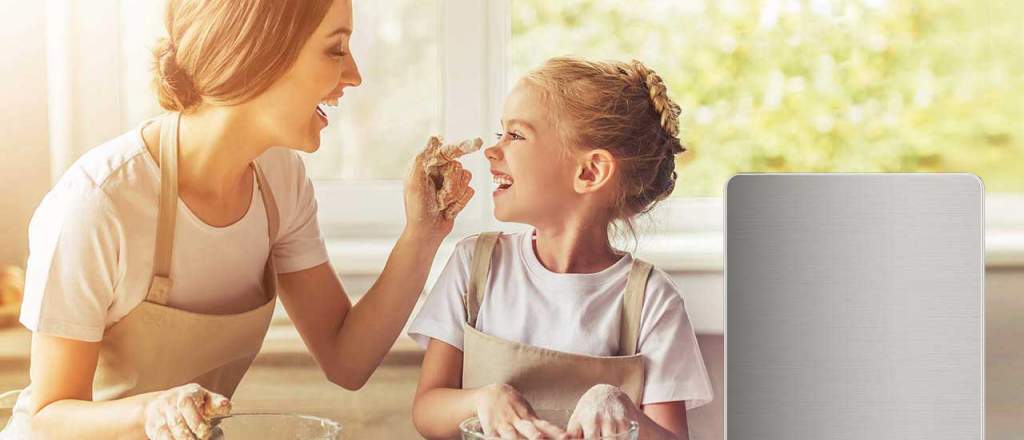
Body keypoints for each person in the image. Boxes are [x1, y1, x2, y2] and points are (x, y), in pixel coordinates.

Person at [1, 0, 474, 438]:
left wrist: (422, 233)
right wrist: (151, 411)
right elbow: (47, 419)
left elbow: (346, 359)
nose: (353, 75)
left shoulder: (280, 182)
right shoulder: (101, 202)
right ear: (257, 55)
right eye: (335, 49)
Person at [409, 56, 714, 440]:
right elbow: (426, 410)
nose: (492, 150)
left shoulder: (651, 299)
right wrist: (483, 400)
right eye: (499, 132)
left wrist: (617, 405)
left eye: (516, 135)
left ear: (590, 172)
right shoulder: (475, 265)